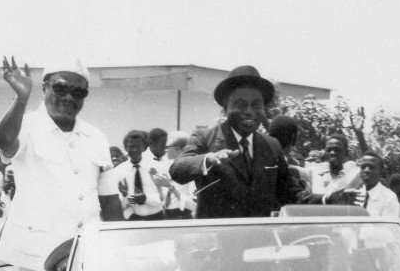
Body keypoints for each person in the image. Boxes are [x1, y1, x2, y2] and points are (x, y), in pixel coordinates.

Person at [0, 56, 122, 271]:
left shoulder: (96, 137)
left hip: (88, 251)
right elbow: (4, 141)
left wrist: (118, 250)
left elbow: (110, 199)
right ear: (44, 88)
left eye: (78, 92)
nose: (69, 97)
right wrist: (21, 99)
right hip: (41, 253)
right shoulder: (27, 125)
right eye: (60, 88)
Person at [170, 65, 303, 218]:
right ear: (226, 108)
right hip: (217, 240)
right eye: (241, 104)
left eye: (256, 105)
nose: (249, 111)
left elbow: (290, 194)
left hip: (260, 239)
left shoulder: (272, 146)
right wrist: (209, 159)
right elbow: (177, 170)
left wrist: (327, 199)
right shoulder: (204, 138)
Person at [114, 130, 165, 220]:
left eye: (138, 146)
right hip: (133, 218)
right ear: (125, 148)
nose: (135, 150)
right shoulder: (119, 171)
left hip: (157, 217)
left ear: (144, 148)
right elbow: (118, 204)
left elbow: (164, 197)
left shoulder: (156, 167)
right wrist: (126, 197)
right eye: (131, 146)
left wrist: (146, 198)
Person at [309, 133, 361, 203]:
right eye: (329, 149)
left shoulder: (353, 175)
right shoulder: (316, 172)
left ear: (346, 153)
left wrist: (359, 133)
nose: (332, 152)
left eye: (337, 150)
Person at [355, 152, 400, 217]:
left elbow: (388, 226)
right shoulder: (355, 194)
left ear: (381, 171)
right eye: (363, 166)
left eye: (371, 167)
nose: (366, 170)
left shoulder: (389, 198)